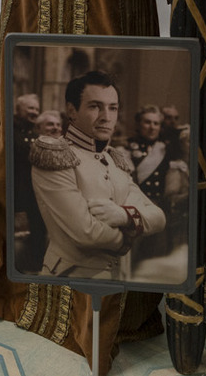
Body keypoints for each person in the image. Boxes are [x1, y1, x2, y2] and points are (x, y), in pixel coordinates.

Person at [29, 72, 165, 282]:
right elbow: (86, 233)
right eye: (95, 106)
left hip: (119, 280)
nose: (106, 117)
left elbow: (158, 217)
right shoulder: (56, 156)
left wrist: (124, 216)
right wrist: (128, 238)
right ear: (71, 111)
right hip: (71, 280)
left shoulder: (114, 158)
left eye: (113, 108)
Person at [11, 93, 46, 272]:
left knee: (37, 234)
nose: (34, 112)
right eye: (30, 108)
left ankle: (34, 270)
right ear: (18, 109)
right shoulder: (11, 131)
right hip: (17, 194)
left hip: (34, 195)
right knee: (18, 239)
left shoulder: (34, 134)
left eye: (37, 109)